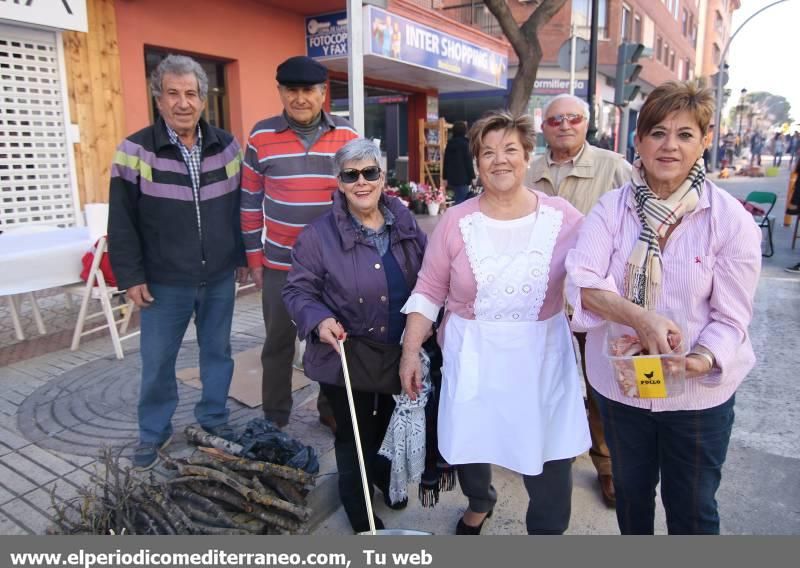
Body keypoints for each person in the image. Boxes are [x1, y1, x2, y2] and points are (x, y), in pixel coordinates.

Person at [566, 81, 762, 534]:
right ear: (638, 141)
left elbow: (732, 318)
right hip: (624, 387)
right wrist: (640, 318)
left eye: (685, 134)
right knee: (632, 500)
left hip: (697, 398)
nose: (669, 145)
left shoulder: (728, 220)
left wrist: (696, 360)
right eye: (657, 132)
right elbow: (583, 285)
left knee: (693, 508)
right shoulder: (611, 211)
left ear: (705, 140)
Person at [399, 110, 590, 535]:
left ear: (528, 156)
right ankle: (480, 499)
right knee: (471, 441)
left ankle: (546, 534)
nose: (499, 160)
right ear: (477, 163)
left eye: (510, 149)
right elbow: (429, 289)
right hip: (474, 353)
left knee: (550, 451)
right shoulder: (455, 221)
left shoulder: (564, 220)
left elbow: (593, 281)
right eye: (488, 152)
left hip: (541, 356)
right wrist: (411, 351)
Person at [108, 55, 246, 470]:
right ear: (158, 98)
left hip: (219, 276)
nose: (182, 102)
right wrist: (130, 276)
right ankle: (153, 433)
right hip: (164, 282)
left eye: (191, 93)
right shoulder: (134, 151)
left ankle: (214, 419)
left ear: (203, 99)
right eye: (173, 93)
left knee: (217, 355)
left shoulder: (227, 146)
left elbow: (242, 206)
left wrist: (240, 256)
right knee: (158, 362)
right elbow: (121, 221)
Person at [283, 138, 427, 533]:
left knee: (389, 424)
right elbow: (297, 290)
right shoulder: (318, 235)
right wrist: (319, 319)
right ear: (340, 181)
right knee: (355, 435)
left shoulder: (405, 221)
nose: (362, 182)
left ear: (382, 177)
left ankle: (382, 477)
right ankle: (359, 508)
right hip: (347, 352)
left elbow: (430, 275)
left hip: (399, 348)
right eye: (351, 174)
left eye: (370, 172)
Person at [241, 56, 358, 432]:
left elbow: (362, 199)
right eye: (292, 90)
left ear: (323, 93)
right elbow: (248, 202)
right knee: (278, 344)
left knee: (331, 341)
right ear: (280, 92)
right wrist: (255, 260)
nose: (300, 98)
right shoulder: (260, 137)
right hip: (279, 265)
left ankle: (330, 406)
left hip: (331, 265)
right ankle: (275, 417)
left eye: (308, 90)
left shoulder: (349, 139)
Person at [527, 93, 631, 508]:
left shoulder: (614, 167)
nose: (564, 125)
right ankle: (554, 458)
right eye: (555, 120)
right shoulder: (529, 171)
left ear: (586, 123)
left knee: (601, 390)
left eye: (573, 118)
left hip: (595, 305)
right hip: (544, 304)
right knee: (549, 386)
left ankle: (607, 467)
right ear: (544, 127)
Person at [443, 121, 475, 205]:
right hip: (463, 178)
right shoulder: (465, 144)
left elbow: (445, 161)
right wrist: (472, 176)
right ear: (464, 131)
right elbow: (468, 162)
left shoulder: (449, 144)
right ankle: (459, 217)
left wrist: (445, 177)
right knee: (462, 201)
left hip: (451, 178)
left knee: (456, 198)